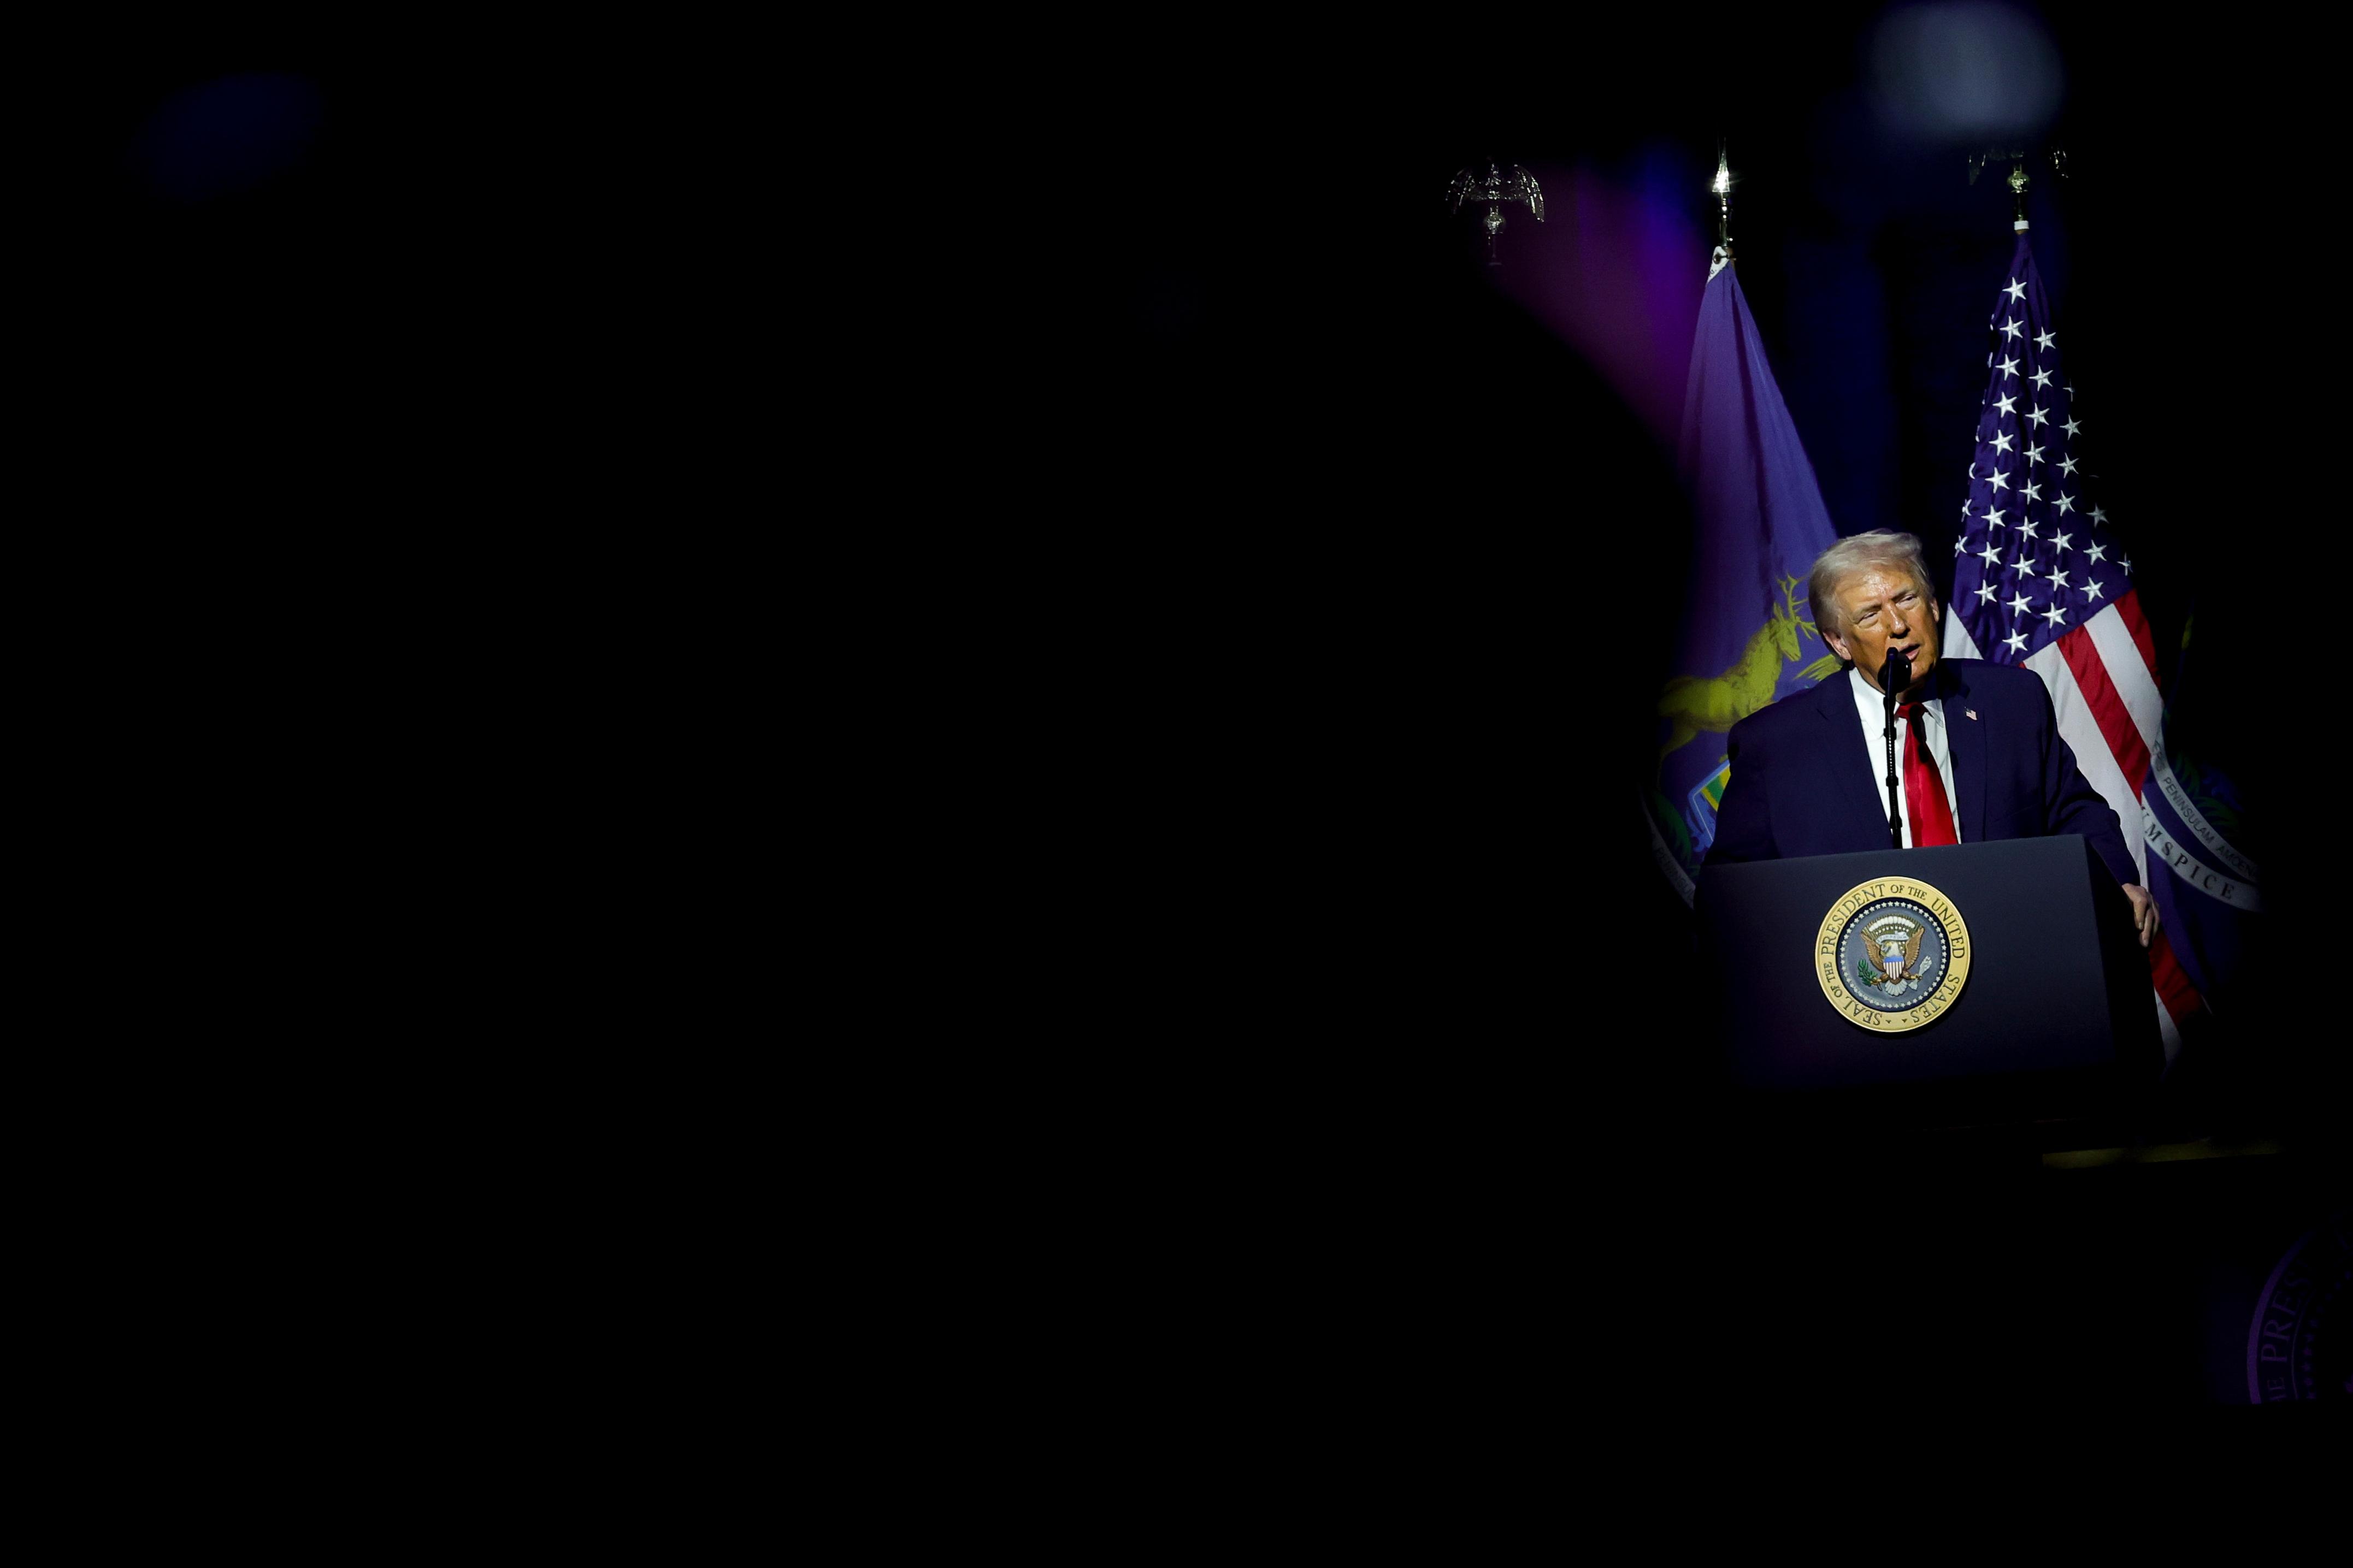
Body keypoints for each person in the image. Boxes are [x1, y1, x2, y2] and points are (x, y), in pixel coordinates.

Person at [1705, 529, 2161, 947]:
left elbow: (2074, 811)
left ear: (1934, 607)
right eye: (1870, 614)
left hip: (2011, 956)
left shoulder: (2010, 701)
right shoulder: (1777, 745)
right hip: (1869, 981)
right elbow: (1733, 892)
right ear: (1838, 642)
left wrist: (2116, 883)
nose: (1897, 625)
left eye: (1906, 599)